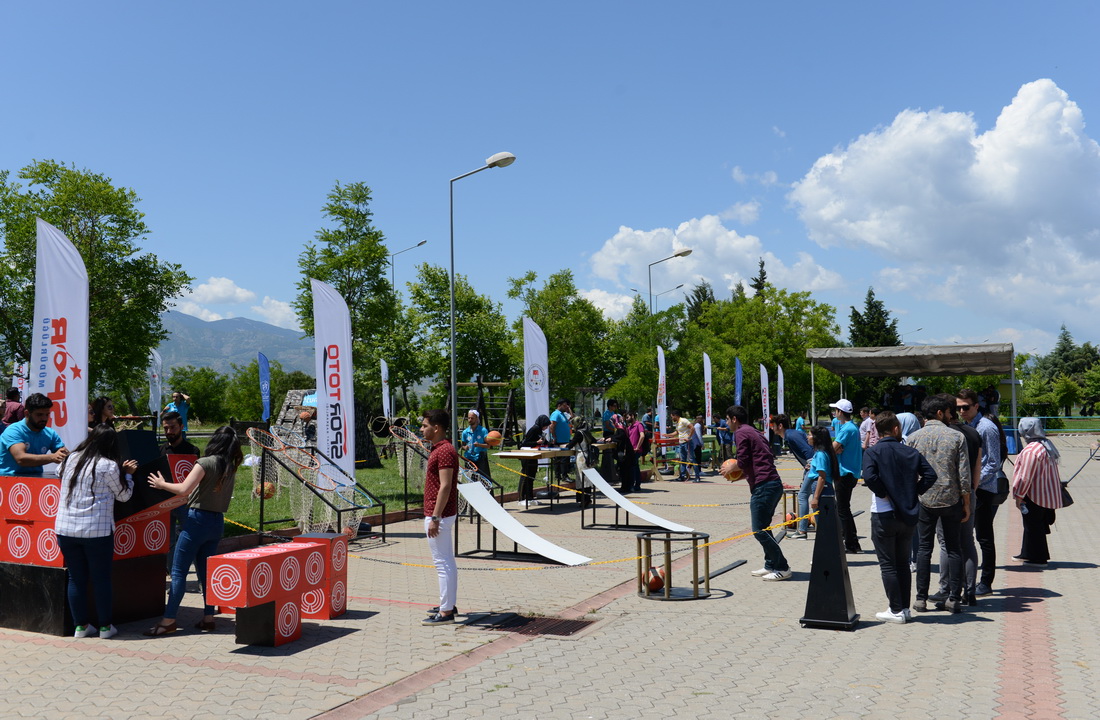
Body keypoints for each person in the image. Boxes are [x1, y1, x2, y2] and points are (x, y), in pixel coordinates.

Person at [143, 426, 243, 636]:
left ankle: (169, 620)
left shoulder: (205, 462)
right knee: (206, 573)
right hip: (217, 522)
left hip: (196, 520)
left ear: (215, 440)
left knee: (178, 572)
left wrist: (161, 484)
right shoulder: (230, 466)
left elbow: (183, 489)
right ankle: (208, 618)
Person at [54, 426, 138, 639]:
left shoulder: (70, 459)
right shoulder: (107, 465)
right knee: (101, 579)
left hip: (66, 529)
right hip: (97, 531)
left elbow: (58, 474)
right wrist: (128, 475)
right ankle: (105, 627)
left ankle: (80, 627)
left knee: (76, 579)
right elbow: (124, 496)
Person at [861, 411, 937, 624]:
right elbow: (931, 475)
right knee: (903, 563)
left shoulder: (872, 452)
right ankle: (904, 608)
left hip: (883, 514)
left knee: (888, 564)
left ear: (877, 431)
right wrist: (913, 492)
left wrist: (883, 492)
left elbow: (869, 476)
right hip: (907, 514)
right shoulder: (910, 451)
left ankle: (895, 610)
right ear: (896, 429)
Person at [906, 395, 971, 614]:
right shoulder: (956, 437)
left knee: (924, 549)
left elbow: (910, 473)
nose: (952, 416)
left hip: (924, 499)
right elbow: (964, 474)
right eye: (950, 412)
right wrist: (966, 502)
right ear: (940, 413)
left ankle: (921, 599)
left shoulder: (913, 438)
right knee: (953, 548)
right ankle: (954, 598)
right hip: (951, 499)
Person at [726, 405, 791, 581]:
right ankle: (770, 564)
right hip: (771, 484)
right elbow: (756, 461)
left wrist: (731, 467)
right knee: (765, 527)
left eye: (727, 419)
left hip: (764, 487)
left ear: (734, 419)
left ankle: (782, 567)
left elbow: (743, 460)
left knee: (759, 530)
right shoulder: (753, 431)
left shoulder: (740, 432)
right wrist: (741, 475)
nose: (726, 423)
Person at [958, 389, 1003, 598]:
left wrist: (973, 484)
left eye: (965, 407)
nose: (961, 411)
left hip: (983, 489)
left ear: (976, 406)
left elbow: (993, 462)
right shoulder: (966, 426)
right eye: (958, 408)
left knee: (984, 537)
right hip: (971, 488)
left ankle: (986, 582)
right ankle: (967, 581)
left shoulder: (986, 427)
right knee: (969, 536)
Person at [419, 409, 460, 625]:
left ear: (436, 428)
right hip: (440, 513)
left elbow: (445, 486)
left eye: (425, 426)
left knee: (443, 563)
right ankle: (448, 603)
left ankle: (446, 612)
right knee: (446, 561)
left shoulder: (444, 451)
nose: (421, 429)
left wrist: (435, 517)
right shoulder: (440, 449)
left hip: (440, 515)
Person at [1011, 418, 1064, 568]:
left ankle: (1038, 559)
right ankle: (1027, 552)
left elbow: (1025, 476)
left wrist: (1019, 495)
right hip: (1046, 493)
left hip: (1034, 495)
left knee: (1033, 526)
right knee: (1033, 525)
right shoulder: (1045, 446)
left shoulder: (1031, 450)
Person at [160, 411, 201, 572]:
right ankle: (173, 573)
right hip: (165, 502)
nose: (169, 431)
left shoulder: (192, 450)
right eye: (166, 428)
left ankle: (200, 575)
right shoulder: (160, 450)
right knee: (168, 541)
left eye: (173, 427)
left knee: (192, 537)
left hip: (185, 501)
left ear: (181, 427)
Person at [0, 392, 68, 476]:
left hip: (36, 480)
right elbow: (21, 459)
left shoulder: (50, 433)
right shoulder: (13, 431)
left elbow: (64, 453)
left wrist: (65, 455)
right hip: (8, 480)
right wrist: (53, 457)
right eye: (39, 415)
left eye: (47, 414)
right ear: (27, 414)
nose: (44, 418)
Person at [830, 399, 863, 554]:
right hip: (851, 472)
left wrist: (832, 449)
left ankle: (850, 543)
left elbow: (833, 448)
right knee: (844, 508)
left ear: (840, 412)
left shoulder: (847, 429)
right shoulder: (853, 427)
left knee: (842, 509)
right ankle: (852, 541)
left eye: (835, 410)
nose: (834, 413)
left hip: (844, 473)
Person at [774, 414, 815, 538]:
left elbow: (808, 450)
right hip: (811, 467)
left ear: (780, 426)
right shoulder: (790, 435)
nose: (771, 428)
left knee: (804, 496)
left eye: (773, 425)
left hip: (814, 467)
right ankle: (806, 528)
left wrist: (811, 463)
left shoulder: (792, 435)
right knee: (807, 495)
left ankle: (803, 531)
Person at [517, 415, 552, 508]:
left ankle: (530, 497)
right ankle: (522, 497)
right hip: (526, 456)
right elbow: (525, 443)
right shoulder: (534, 429)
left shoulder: (539, 430)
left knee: (532, 477)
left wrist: (550, 444)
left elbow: (544, 442)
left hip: (533, 455)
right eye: (546, 425)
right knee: (526, 476)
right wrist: (537, 442)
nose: (546, 428)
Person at [460, 409, 493, 481]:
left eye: (472, 418)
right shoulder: (465, 432)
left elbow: (488, 445)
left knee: (483, 479)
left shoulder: (483, 431)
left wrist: (479, 445)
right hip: (469, 458)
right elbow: (462, 445)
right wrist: (465, 447)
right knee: (470, 479)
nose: (470, 420)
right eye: (469, 418)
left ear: (477, 418)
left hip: (480, 457)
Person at [549, 399, 573, 483]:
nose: (566, 407)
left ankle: (560, 475)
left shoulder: (563, 414)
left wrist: (569, 409)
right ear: (559, 405)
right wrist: (554, 437)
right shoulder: (556, 414)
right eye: (564, 405)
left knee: (564, 458)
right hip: (559, 441)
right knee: (562, 459)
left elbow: (572, 417)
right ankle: (563, 475)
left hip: (565, 440)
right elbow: (552, 426)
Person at [670, 408, 694, 482]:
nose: (672, 418)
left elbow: (692, 428)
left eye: (672, 417)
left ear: (675, 415)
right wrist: (668, 435)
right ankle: (682, 476)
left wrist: (688, 437)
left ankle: (697, 476)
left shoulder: (683, 420)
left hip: (687, 442)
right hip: (681, 443)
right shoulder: (677, 423)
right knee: (682, 460)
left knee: (691, 459)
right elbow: (677, 432)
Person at [626, 410, 646, 492]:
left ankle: (635, 484)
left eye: (628, 417)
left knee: (633, 467)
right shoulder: (630, 427)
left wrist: (638, 447)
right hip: (631, 450)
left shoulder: (638, 425)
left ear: (632, 416)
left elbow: (642, 436)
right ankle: (636, 484)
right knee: (635, 467)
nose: (626, 419)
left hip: (636, 450)